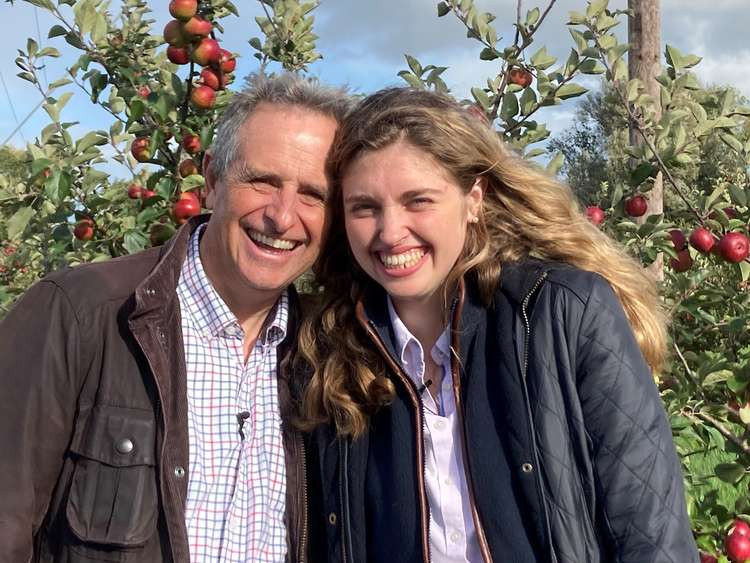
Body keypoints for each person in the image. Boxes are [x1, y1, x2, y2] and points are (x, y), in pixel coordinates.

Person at [297, 87, 699, 563]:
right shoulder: (333, 356)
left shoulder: (560, 314)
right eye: (364, 207)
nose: (390, 232)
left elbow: (651, 538)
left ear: (473, 201)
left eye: (418, 200)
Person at [0, 72, 351, 563]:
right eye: (262, 181)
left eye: (313, 194)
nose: (283, 216)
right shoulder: (78, 314)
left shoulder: (329, 357)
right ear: (211, 180)